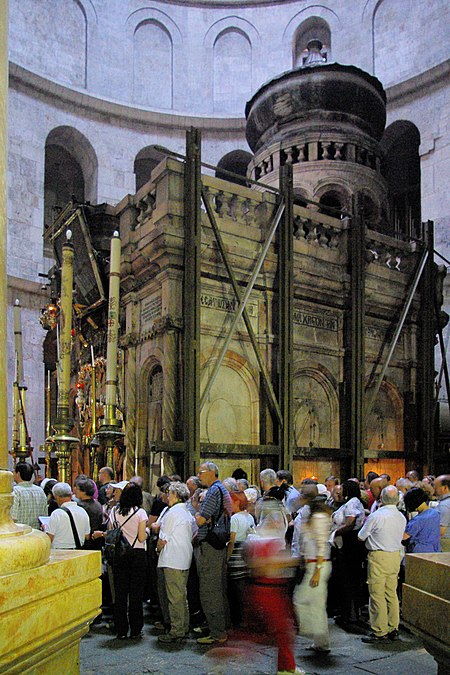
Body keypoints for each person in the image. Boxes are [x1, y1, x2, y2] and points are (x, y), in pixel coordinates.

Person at [245, 504, 304, 675]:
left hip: (270, 589)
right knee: (282, 631)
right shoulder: (266, 541)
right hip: (268, 590)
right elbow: (263, 567)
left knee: (279, 632)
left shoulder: (258, 538)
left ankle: (287, 666)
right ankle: (286, 668)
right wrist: (289, 561)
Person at [96, 482, 148, 640]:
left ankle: (121, 629)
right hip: (137, 554)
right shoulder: (140, 513)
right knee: (135, 594)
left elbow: (111, 533)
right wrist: (146, 530)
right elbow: (141, 537)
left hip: (119, 554)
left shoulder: (114, 511)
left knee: (120, 594)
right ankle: (136, 629)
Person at [358, 486, 405, 643]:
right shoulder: (401, 517)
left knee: (377, 594)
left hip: (378, 556)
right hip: (395, 556)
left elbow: (361, 536)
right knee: (391, 593)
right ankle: (393, 627)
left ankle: (379, 631)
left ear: (382, 498)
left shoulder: (377, 516)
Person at [194, 462, 232, 645]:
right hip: (219, 545)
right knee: (218, 588)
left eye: (201, 472)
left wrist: (197, 513)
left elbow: (201, 520)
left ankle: (217, 632)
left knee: (210, 590)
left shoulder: (213, 491)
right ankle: (222, 627)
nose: (199, 476)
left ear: (211, 473)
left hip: (210, 545)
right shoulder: (222, 489)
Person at [156, 482, 196, 643]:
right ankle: (183, 626)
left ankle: (177, 630)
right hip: (183, 557)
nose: (167, 496)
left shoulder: (173, 513)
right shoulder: (186, 512)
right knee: (181, 596)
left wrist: (157, 549)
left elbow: (163, 538)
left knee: (174, 598)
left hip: (173, 558)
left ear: (176, 495)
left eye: (170, 493)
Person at [293, 495, 332, 654]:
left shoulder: (319, 518)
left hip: (317, 565)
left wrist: (317, 570)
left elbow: (322, 545)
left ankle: (314, 632)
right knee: (316, 604)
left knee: (302, 599)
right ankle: (321, 641)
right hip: (313, 564)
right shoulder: (314, 518)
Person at [330, 479, 366, 626]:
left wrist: (335, 533)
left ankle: (350, 615)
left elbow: (350, 523)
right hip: (348, 544)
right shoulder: (353, 502)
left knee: (349, 579)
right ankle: (347, 612)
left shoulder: (352, 503)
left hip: (349, 544)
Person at [227, 491, 254, 627]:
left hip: (236, 557)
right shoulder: (249, 517)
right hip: (245, 556)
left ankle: (237, 622)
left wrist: (227, 558)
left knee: (235, 593)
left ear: (236, 502)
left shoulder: (235, 519)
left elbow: (232, 541)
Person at [46, 482, 90, 549]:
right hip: (78, 553)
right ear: (71, 495)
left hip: (60, 553)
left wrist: (45, 528)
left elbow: (49, 539)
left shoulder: (57, 514)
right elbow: (87, 536)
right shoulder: (82, 511)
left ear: (57, 497)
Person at [402, 487, 441, 553]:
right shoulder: (436, 513)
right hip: (435, 550)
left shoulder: (417, 520)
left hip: (420, 552)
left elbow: (404, 537)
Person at [11, 462, 48, 529]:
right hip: (36, 533)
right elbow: (44, 516)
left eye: (14, 472)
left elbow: (13, 517)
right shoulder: (40, 490)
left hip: (21, 533)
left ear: (18, 473)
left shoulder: (15, 491)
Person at [434, 474, 450, 551]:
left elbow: (441, 531)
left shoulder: (444, 505)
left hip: (445, 543)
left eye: (436, 487)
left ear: (445, 488)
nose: (434, 490)